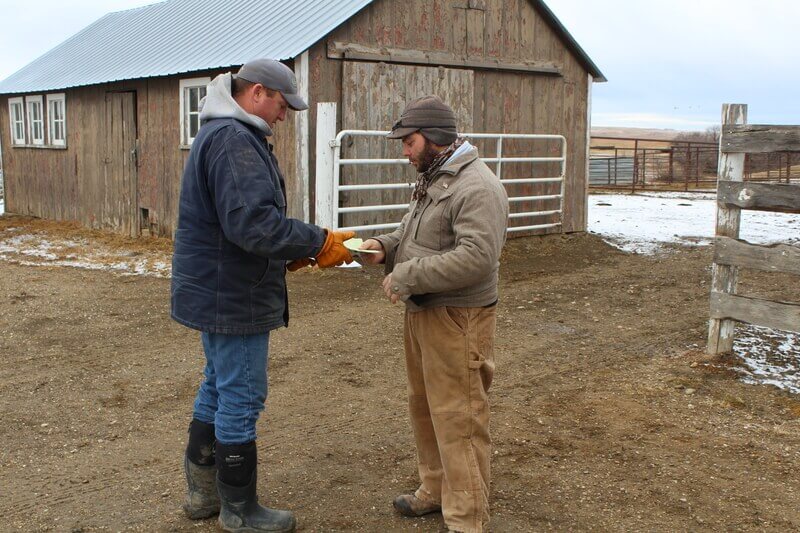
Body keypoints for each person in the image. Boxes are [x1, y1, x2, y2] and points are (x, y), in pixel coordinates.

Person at [171, 58, 353, 533]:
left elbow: (241, 225)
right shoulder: (234, 140)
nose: (283, 115)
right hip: (235, 295)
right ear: (256, 93)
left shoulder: (219, 134)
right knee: (242, 396)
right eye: (281, 103)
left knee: (217, 385)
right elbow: (254, 225)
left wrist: (286, 252)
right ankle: (240, 511)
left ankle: (203, 495)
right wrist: (319, 242)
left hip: (218, 289)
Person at [359, 95, 509, 533]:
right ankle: (437, 489)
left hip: (458, 318)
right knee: (425, 406)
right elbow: (413, 228)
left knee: (459, 416)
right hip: (426, 311)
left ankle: (467, 517)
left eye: (409, 141)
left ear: (435, 137)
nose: (404, 150)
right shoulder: (437, 176)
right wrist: (386, 246)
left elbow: (478, 257)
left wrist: (408, 275)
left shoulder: (477, 187)